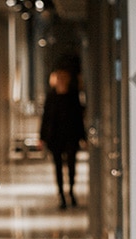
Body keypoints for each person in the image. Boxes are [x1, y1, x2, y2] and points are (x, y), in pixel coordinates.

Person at [39, 67, 87, 209]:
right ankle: (61, 195)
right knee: (58, 166)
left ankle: (71, 191)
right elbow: (46, 118)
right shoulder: (51, 97)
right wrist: (42, 137)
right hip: (55, 137)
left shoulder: (73, 96)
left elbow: (79, 118)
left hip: (71, 136)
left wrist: (83, 137)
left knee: (72, 166)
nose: (61, 80)